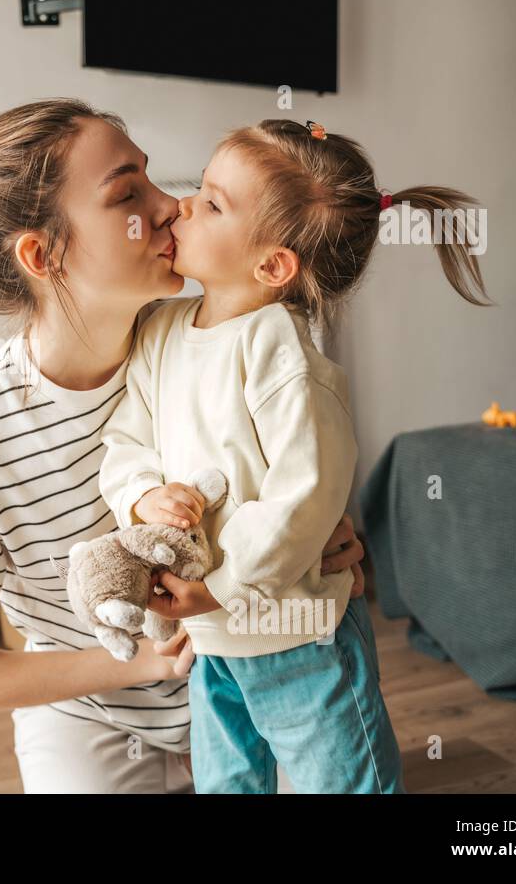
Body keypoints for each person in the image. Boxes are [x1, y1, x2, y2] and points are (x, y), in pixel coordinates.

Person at [0, 101, 366, 793]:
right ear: (41, 254)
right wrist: (147, 659)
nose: (172, 206)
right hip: (91, 711)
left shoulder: (214, 339)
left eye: (153, 178)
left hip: (250, 667)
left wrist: (318, 550)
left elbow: (299, 477)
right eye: (127, 194)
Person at [103, 118, 489, 792]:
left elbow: (302, 500)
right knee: (226, 778)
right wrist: (140, 495)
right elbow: (126, 438)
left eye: (213, 202)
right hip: (214, 643)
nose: (184, 205)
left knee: (340, 775)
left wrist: (219, 588)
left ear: (273, 265)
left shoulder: (279, 351)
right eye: (201, 187)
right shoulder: (161, 331)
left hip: (296, 631)